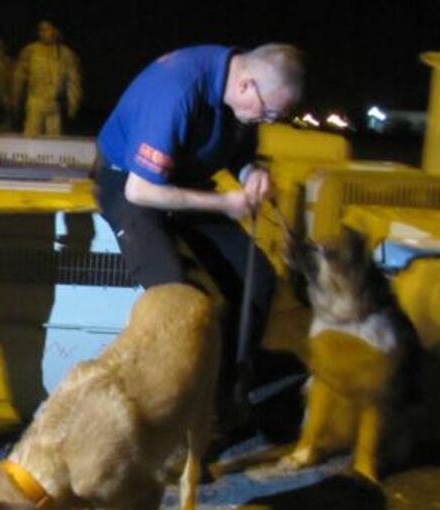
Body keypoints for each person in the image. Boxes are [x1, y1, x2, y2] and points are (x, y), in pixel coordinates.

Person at [94, 43, 304, 425]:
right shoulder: (175, 91)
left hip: (185, 180)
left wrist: (250, 173)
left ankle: (225, 395)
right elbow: (141, 191)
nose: (269, 120)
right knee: (178, 301)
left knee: (258, 280)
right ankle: (169, 421)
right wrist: (224, 204)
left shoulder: (243, 95)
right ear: (247, 86)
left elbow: (240, 153)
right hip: (130, 182)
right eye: (270, 113)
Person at [13, 20, 82, 137]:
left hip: (54, 105)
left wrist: (73, 104)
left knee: (54, 142)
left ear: (55, 31)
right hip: (35, 103)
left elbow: (73, 81)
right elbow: (19, 77)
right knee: (31, 138)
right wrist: (16, 99)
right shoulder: (30, 51)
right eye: (40, 30)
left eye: (46, 29)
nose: (43, 33)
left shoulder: (65, 54)